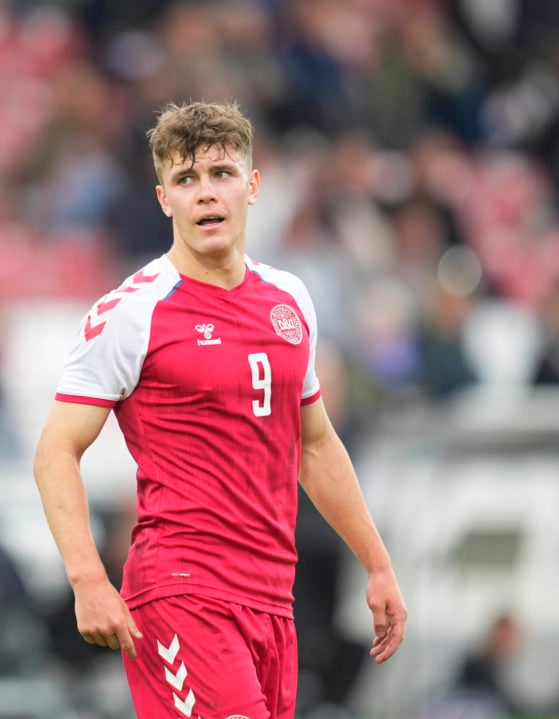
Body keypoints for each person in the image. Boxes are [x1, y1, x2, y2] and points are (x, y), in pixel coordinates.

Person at [32, 100, 407, 719]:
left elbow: (312, 444)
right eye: (186, 180)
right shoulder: (133, 313)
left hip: (271, 601)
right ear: (164, 199)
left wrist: (377, 563)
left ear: (252, 186)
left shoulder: (289, 300)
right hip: (180, 591)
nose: (206, 194)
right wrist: (88, 580)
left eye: (221, 174)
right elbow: (56, 451)